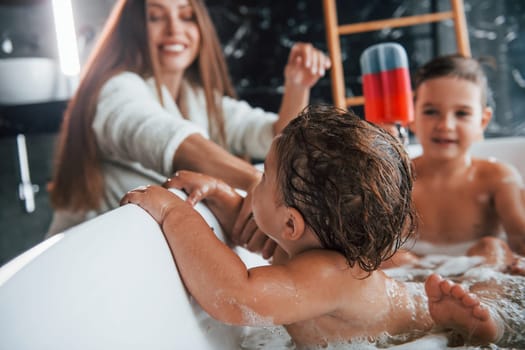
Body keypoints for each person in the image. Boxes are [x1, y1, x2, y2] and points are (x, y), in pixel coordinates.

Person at [121, 105, 437, 347]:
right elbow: (261, 233)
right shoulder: (307, 246)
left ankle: (457, 317)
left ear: (291, 223)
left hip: (423, 326)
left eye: (263, 177)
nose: (254, 183)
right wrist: (220, 195)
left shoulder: (331, 274)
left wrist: (174, 213)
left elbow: (236, 297)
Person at [46, 0, 331, 239]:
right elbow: (174, 142)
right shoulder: (115, 90)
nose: (174, 29)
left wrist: (297, 86)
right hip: (83, 259)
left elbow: (274, 139)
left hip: (134, 253)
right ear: (132, 29)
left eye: (186, 17)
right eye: (156, 17)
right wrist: (260, 185)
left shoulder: (195, 98)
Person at [386, 55, 525, 268]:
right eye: (431, 111)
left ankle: (477, 301)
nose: (445, 125)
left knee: (492, 247)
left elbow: (521, 242)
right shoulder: (399, 179)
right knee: (394, 257)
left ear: (482, 121)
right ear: (412, 117)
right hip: (416, 279)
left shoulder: (497, 179)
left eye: (461, 113)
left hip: (480, 278)